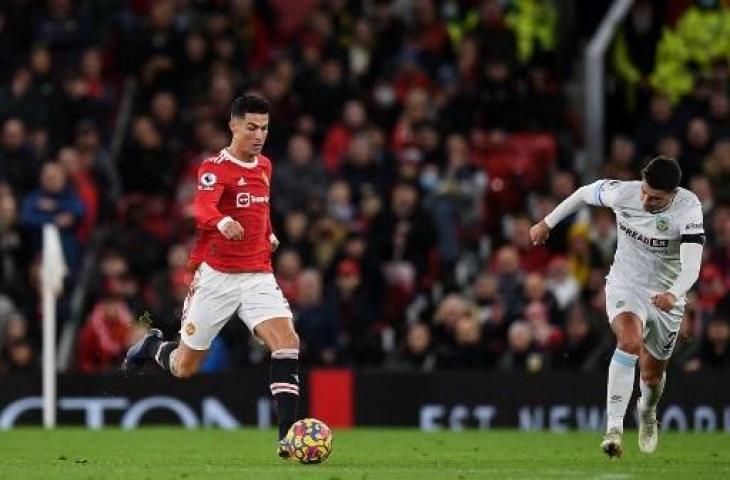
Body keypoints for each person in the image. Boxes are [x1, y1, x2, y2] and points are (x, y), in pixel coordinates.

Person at [122, 94, 298, 458]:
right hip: (216, 278)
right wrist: (222, 220)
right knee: (184, 368)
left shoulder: (265, 165)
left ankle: (288, 438)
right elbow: (202, 207)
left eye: (264, 128)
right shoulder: (214, 167)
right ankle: (152, 345)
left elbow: (262, 210)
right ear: (233, 126)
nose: (259, 135)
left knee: (287, 342)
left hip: (258, 277)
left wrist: (268, 234)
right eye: (251, 127)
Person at [530, 156, 703, 458]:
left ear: (672, 193)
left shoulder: (688, 208)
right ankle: (614, 429)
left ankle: (647, 412)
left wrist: (674, 294)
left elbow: (692, 267)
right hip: (626, 284)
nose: (646, 200)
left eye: (655, 197)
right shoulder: (623, 192)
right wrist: (547, 222)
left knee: (651, 376)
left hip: (666, 296)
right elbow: (583, 193)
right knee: (629, 341)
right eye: (645, 192)